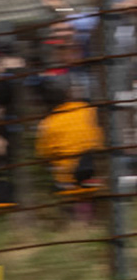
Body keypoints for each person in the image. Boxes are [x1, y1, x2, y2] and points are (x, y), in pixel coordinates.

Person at [37, 78, 105, 220]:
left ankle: (79, 221)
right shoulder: (89, 110)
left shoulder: (48, 123)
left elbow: (44, 155)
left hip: (68, 179)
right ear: (68, 93)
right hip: (97, 171)